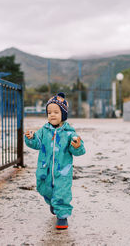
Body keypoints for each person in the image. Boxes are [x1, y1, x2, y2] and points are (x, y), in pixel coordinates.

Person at [25, 92, 86, 230]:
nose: (52, 115)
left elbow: (79, 150)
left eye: (56, 112)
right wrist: (30, 138)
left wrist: (77, 145)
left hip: (63, 172)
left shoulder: (69, 133)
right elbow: (36, 143)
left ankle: (62, 216)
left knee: (62, 192)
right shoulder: (43, 131)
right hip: (44, 169)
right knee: (43, 188)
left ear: (63, 115)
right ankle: (53, 201)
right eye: (49, 112)